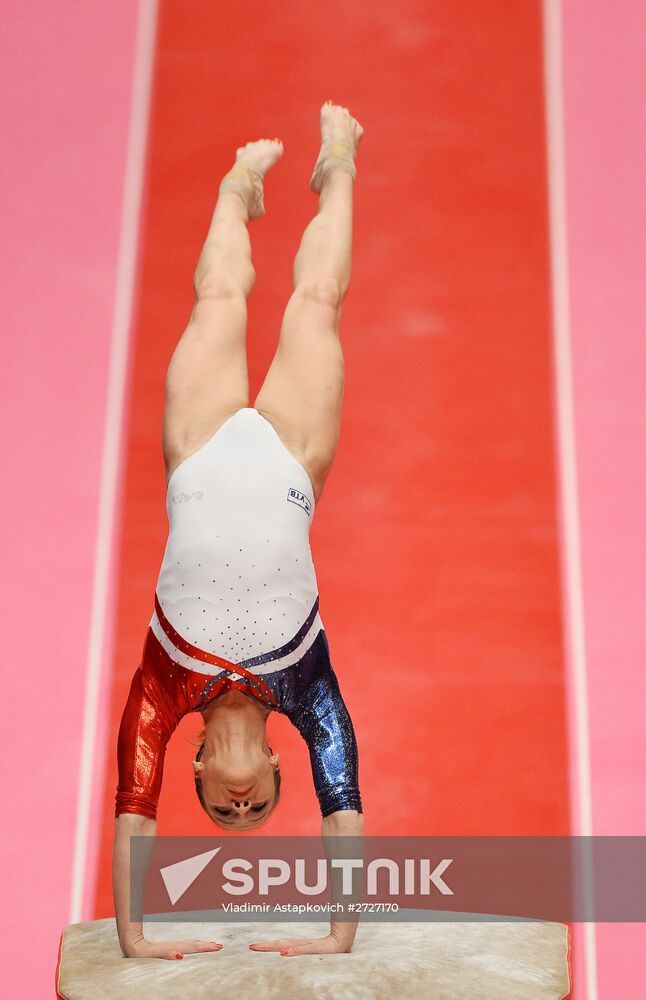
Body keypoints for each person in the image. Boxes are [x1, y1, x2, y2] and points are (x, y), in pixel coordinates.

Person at [112, 102, 366, 960]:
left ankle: (237, 185)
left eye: (227, 811)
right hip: (292, 461)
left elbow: (132, 816)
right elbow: (346, 811)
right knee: (318, 300)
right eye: (259, 808)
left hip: (199, 454)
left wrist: (134, 936)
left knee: (219, 292)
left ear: (198, 775)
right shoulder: (308, 690)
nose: (242, 807)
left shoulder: (160, 692)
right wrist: (339, 934)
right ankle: (339, 164)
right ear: (276, 770)